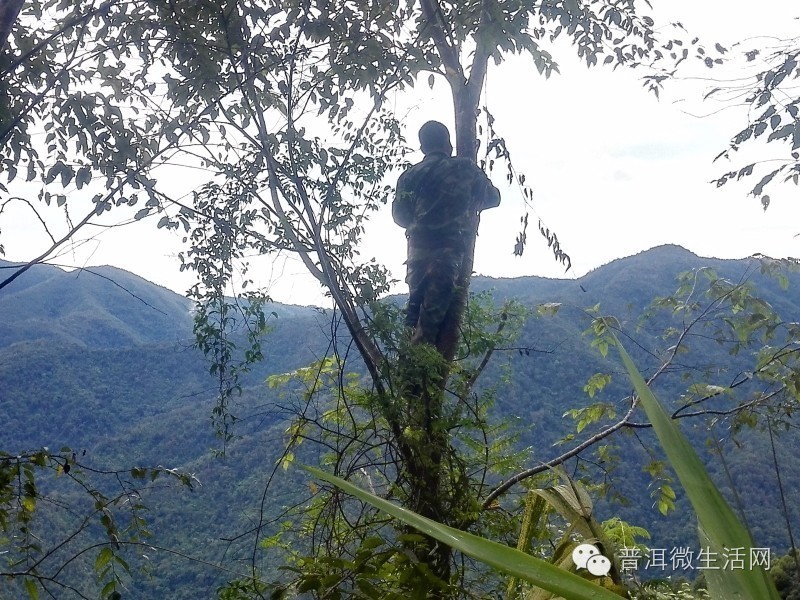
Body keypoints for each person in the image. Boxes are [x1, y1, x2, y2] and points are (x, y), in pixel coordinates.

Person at [392, 120, 500, 346]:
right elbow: (493, 198)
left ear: (422, 148)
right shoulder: (464, 168)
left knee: (413, 312)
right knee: (432, 324)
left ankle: (404, 365)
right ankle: (417, 374)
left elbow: (400, 217)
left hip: (417, 253)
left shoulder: (409, 176)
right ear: (448, 143)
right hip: (448, 253)